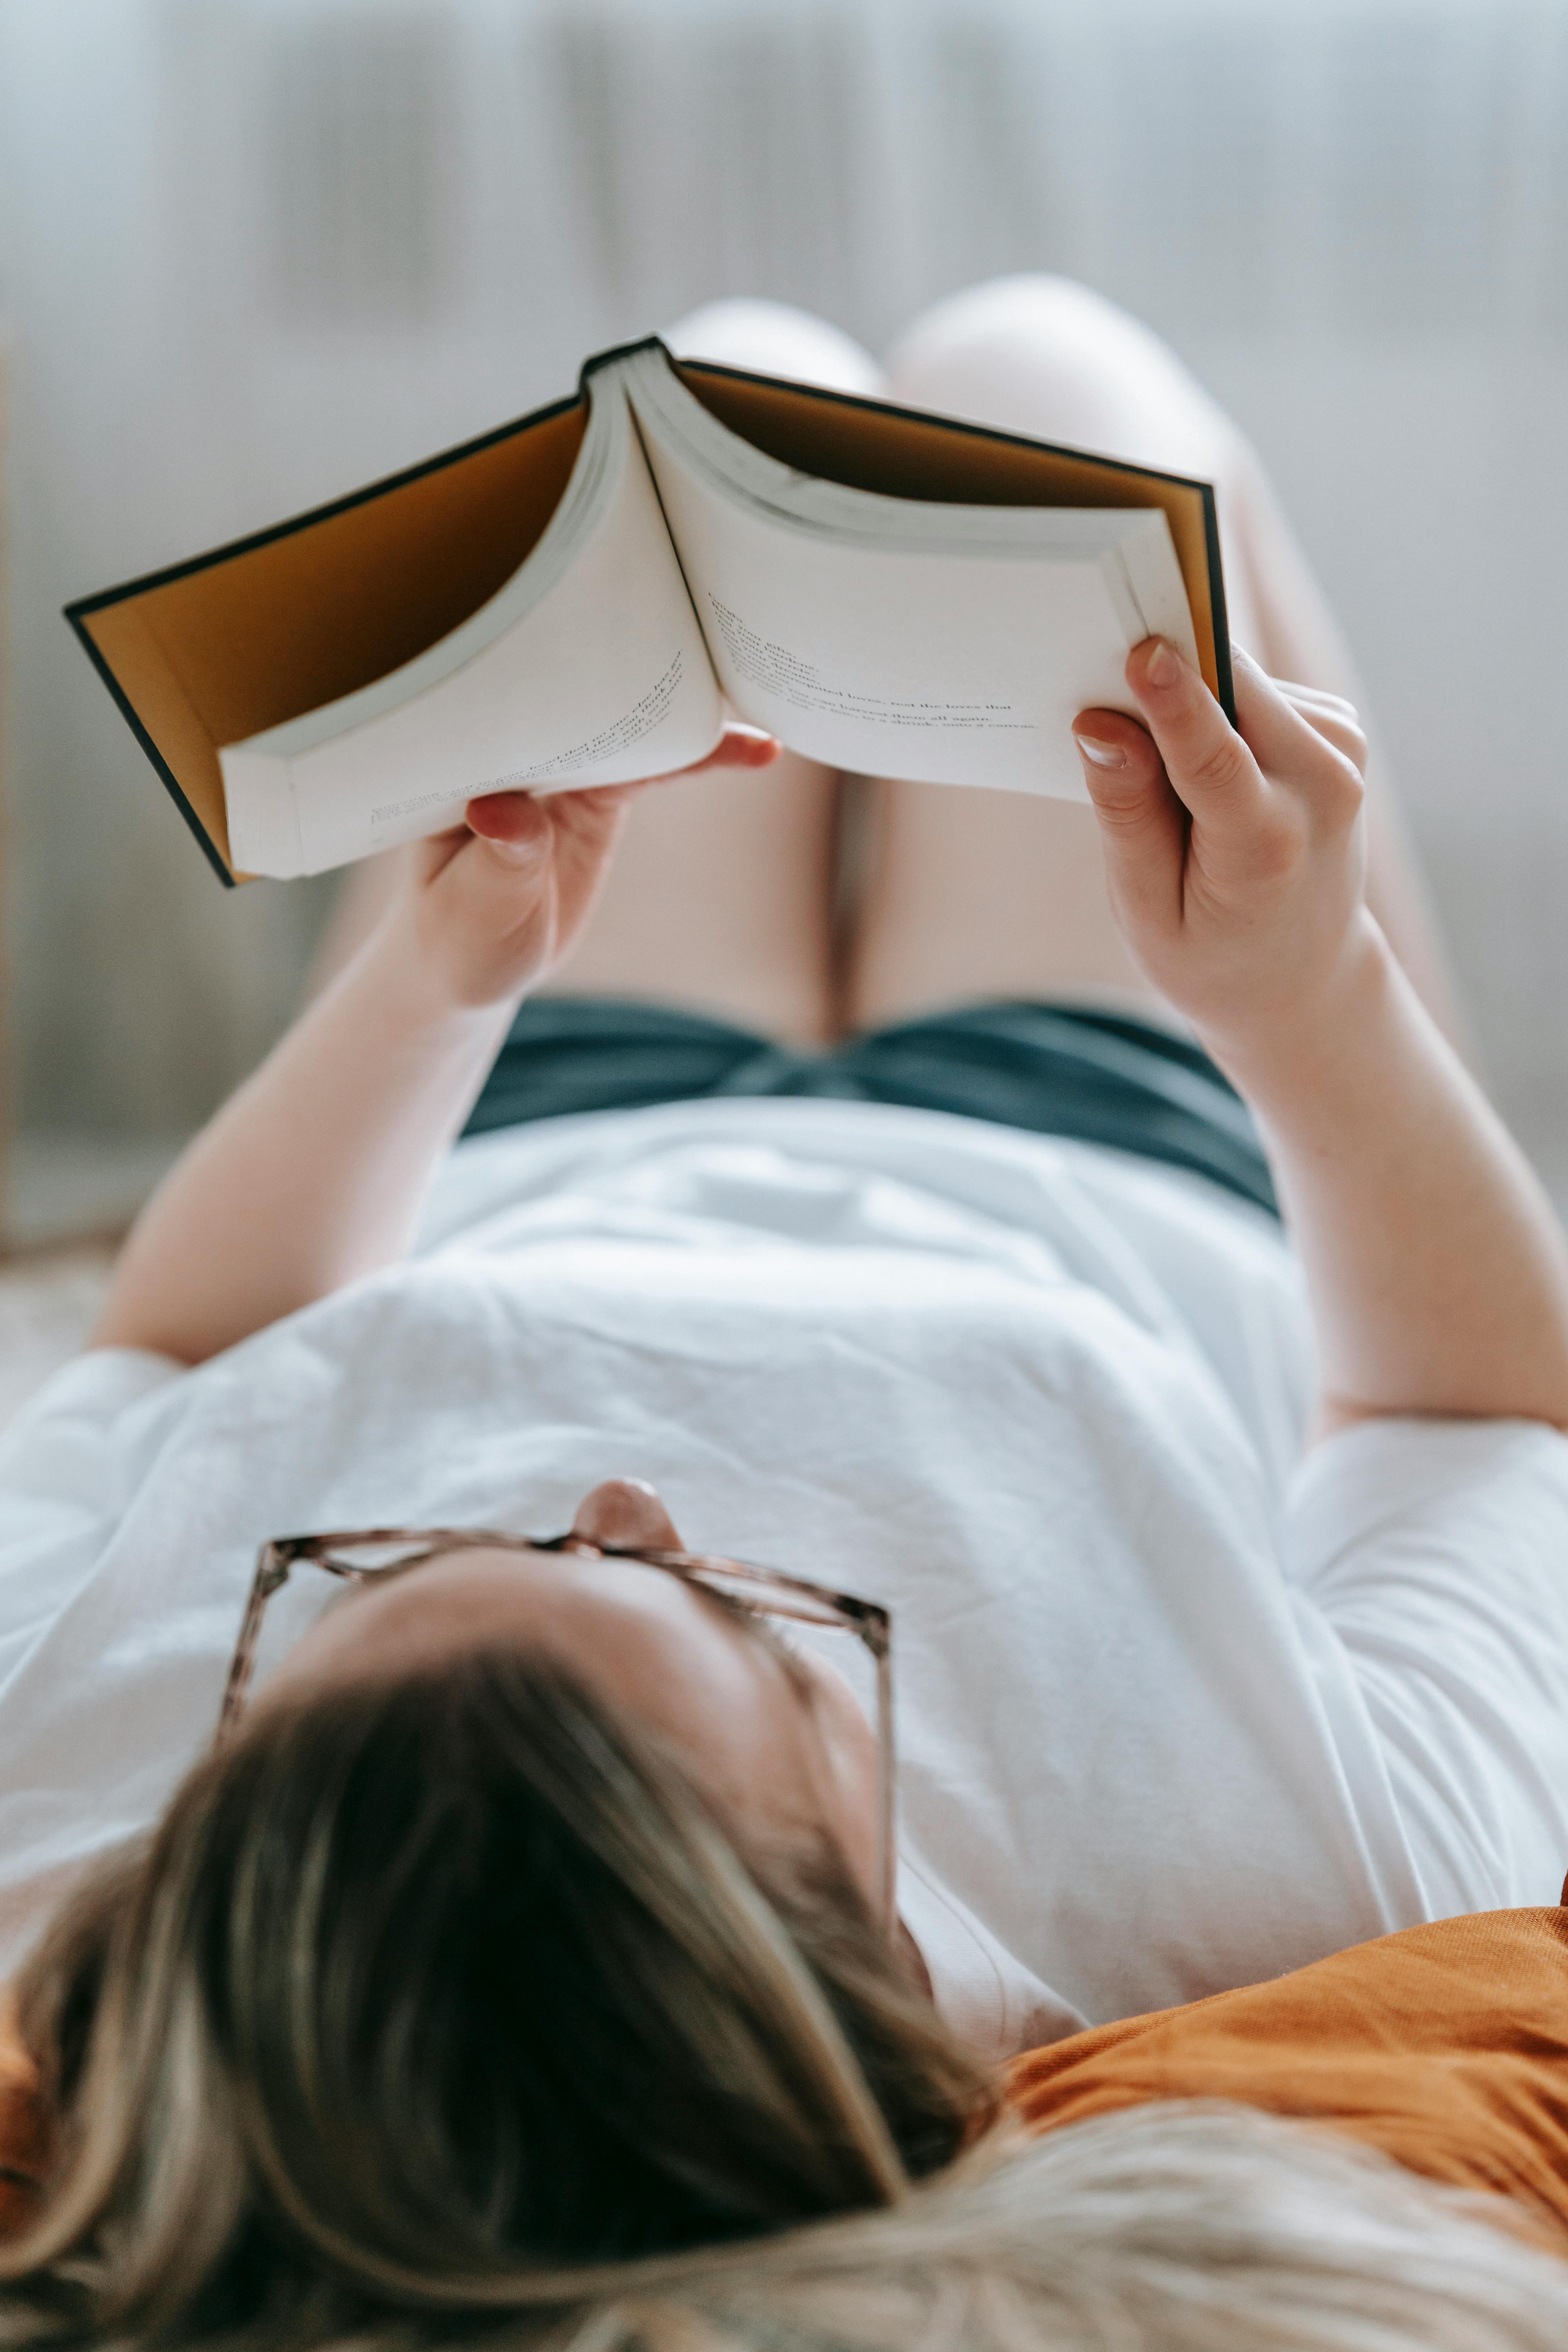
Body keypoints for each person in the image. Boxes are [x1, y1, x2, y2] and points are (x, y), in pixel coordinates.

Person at [0, 279, 1567, 2336]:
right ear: (898, 1958)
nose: (631, 1490)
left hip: (522, 1111)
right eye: (765, 1630)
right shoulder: (1263, 1898)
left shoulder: (63, 1832)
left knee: (727, 389)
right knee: (1046, 376)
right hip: (1115, 1136)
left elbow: (164, 1357)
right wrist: (1306, 1001)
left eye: (388, 1565)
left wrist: (435, 983)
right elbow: (1484, 1418)